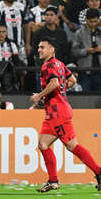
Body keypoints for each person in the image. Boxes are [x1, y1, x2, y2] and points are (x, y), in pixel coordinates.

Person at [30, 37, 101, 193]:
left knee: (72, 146)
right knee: (43, 144)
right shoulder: (59, 64)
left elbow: (54, 83)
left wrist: (40, 96)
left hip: (58, 113)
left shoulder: (47, 65)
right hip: (55, 111)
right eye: (39, 47)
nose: (39, 49)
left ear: (52, 49)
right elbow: (72, 80)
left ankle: (98, 171)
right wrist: (56, 95)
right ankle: (53, 181)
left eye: (43, 47)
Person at [0, 0, 28, 65]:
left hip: (20, 44)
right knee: (7, 68)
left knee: (23, 69)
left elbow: (26, 26)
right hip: (6, 46)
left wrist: (27, 43)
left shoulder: (21, 6)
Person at [72, 8, 101, 92]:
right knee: (85, 96)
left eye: (95, 22)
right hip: (85, 72)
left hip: (99, 71)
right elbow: (74, 51)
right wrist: (86, 51)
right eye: (91, 21)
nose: (93, 24)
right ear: (86, 20)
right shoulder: (79, 33)